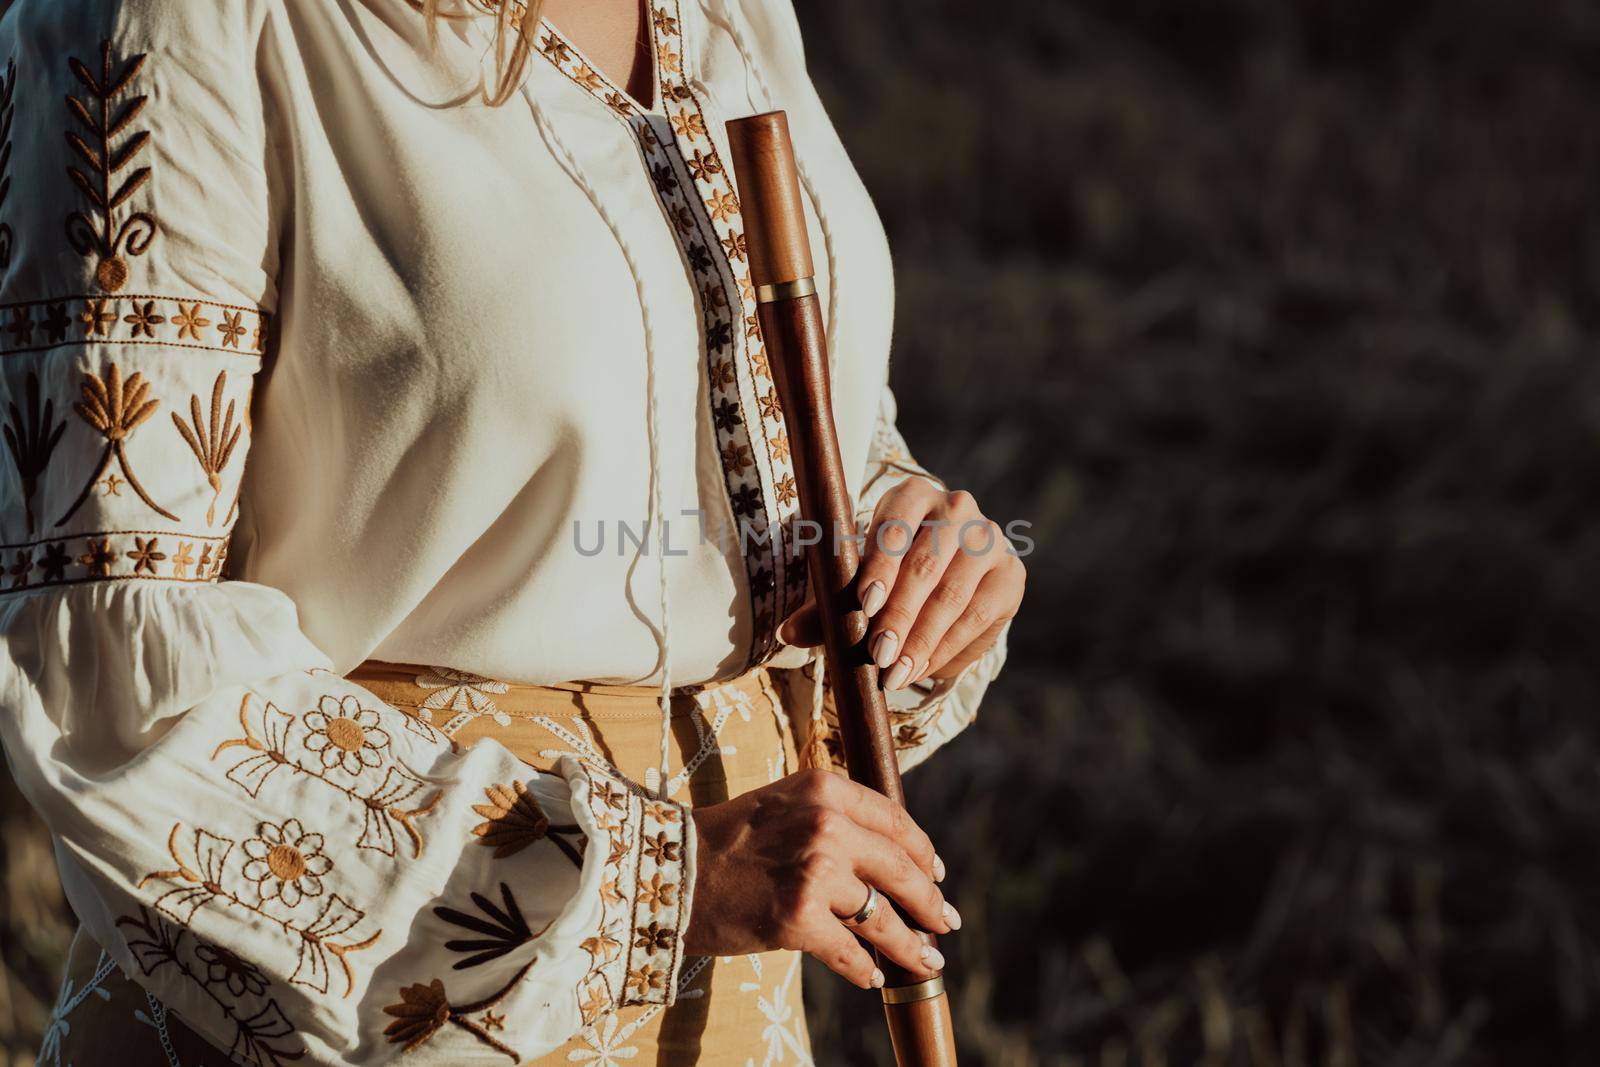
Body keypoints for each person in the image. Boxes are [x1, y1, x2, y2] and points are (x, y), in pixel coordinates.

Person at [0, 0, 1025, 1062]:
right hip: (364, 999)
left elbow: (759, 420)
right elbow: (112, 653)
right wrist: (651, 882)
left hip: (735, 985)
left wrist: (904, 544)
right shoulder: (174, 20)